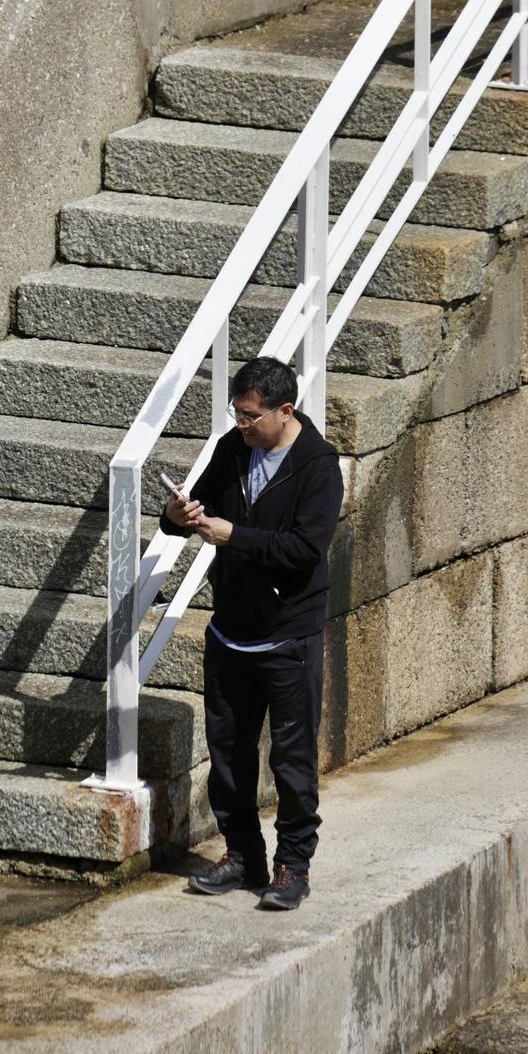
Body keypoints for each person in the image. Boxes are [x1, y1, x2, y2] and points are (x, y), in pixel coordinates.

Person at [161, 355, 344, 912]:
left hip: (288, 636)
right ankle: (243, 855)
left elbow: (304, 551)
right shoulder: (234, 448)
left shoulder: (318, 466)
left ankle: (292, 866)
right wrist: (178, 515)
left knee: (290, 759)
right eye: (236, 415)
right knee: (229, 756)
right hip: (231, 632)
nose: (240, 426)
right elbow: (198, 509)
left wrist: (235, 535)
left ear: (284, 411)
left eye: (249, 417)